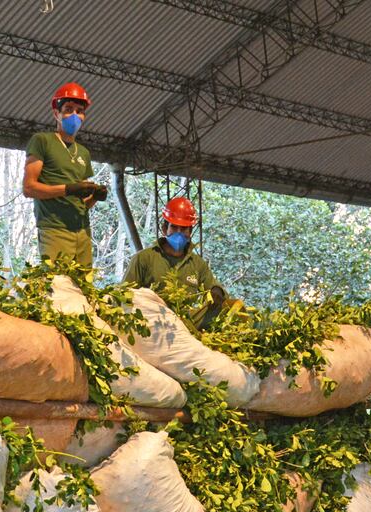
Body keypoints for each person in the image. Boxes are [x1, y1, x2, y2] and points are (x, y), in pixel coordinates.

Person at [23, 82, 108, 266]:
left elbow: (81, 204)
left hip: (83, 231)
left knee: (84, 290)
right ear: (56, 113)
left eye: (79, 111)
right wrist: (68, 189)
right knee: (59, 288)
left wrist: (94, 197)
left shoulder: (83, 152)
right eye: (69, 110)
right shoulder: (42, 141)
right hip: (54, 229)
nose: (75, 116)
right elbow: (29, 188)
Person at [124, 195, 228, 329]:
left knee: (225, 310)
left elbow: (213, 286)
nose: (179, 233)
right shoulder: (144, 258)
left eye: (184, 229)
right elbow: (124, 294)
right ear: (164, 228)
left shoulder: (197, 264)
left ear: (190, 231)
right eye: (174, 227)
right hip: (151, 323)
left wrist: (217, 291)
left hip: (187, 323)